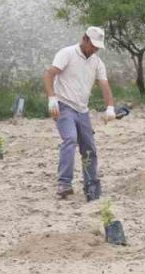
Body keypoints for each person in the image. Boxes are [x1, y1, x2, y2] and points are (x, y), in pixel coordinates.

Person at [43, 26, 117, 200]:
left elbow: (104, 85)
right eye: (93, 45)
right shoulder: (67, 53)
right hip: (63, 105)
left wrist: (110, 107)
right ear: (85, 40)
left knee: (89, 148)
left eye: (98, 47)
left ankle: (90, 183)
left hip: (82, 110)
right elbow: (49, 74)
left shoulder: (97, 62)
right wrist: (52, 98)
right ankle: (64, 183)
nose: (95, 50)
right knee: (70, 139)